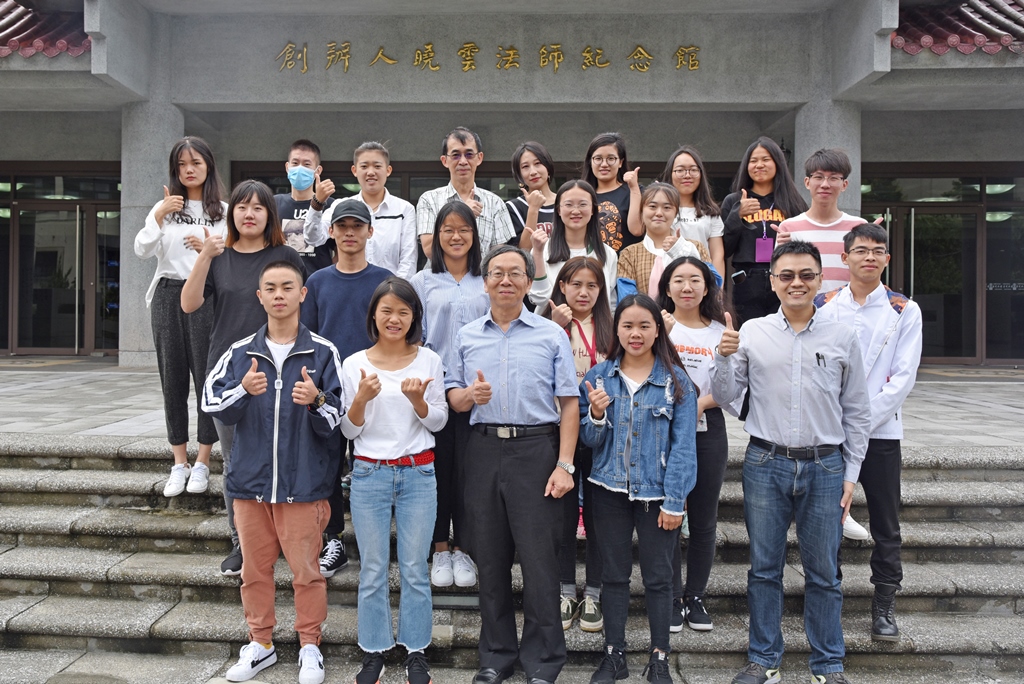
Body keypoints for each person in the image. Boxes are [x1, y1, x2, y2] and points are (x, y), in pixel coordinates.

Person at [710, 241, 871, 684]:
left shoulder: (842, 336)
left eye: (805, 275)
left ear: (820, 280)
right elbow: (725, 395)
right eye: (786, 275)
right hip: (766, 462)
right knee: (764, 569)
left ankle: (828, 664)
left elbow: (857, 410)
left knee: (824, 572)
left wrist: (851, 474)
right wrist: (722, 358)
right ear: (772, 281)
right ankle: (764, 659)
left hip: (826, 466)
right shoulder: (753, 332)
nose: (796, 283)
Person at [202, 259, 343, 684]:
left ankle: (310, 645)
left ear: (302, 294)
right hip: (250, 485)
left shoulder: (323, 351)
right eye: (271, 288)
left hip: (304, 486)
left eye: (287, 286)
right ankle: (260, 643)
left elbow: (339, 418)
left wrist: (317, 400)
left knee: (308, 573)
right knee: (253, 572)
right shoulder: (240, 352)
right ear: (259, 296)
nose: (279, 294)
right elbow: (211, 402)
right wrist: (243, 391)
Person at [447, 244, 579, 684]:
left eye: (515, 273)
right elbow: (452, 397)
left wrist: (565, 464)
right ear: (485, 282)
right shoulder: (467, 336)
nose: (506, 280)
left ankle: (543, 661)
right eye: (497, 273)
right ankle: (496, 656)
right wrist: (470, 396)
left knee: (540, 563)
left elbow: (569, 402)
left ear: (528, 281)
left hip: (536, 450)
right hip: (483, 450)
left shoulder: (551, 334)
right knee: (490, 560)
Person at [182, 179, 304, 576]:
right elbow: (189, 304)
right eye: (241, 207)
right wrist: (205, 256)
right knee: (236, 462)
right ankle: (242, 543)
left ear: (270, 214)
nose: (249, 214)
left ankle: (287, 539)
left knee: (284, 454)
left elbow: (302, 308)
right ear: (231, 213)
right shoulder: (220, 257)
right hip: (230, 373)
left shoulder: (285, 255)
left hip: (281, 369)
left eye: (258, 207)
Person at [579, 294, 698, 684]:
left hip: (657, 496)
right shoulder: (598, 377)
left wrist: (675, 501)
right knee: (613, 575)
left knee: (659, 578)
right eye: (627, 325)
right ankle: (614, 656)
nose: (636, 333)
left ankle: (659, 657)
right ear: (616, 330)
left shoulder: (676, 382)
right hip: (607, 490)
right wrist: (597, 414)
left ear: (657, 330)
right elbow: (589, 442)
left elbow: (684, 447)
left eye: (644, 325)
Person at [814, 223, 923, 643]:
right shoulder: (825, 305)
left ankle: (884, 604)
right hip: (829, 433)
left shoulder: (903, 309)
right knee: (827, 520)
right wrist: (836, 422)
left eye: (878, 251)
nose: (870, 257)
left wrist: (859, 422)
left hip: (881, 434)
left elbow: (902, 377)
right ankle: (830, 598)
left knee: (885, 521)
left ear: (887, 259)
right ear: (845, 258)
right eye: (861, 250)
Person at [342, 277, 448, 684]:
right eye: (386, 310)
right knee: (371, 567)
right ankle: (374, 651)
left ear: (414, 317)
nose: (394, 318)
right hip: (369, 473)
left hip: (418, 472)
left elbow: (438, 422)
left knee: (415, 567)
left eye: (403, 311)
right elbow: (349, 431)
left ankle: (416, 651)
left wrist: (419, 402)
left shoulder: (428, 360)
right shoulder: (355, 364)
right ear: (373, 314)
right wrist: (360, 400)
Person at [301, 198, 394, 578]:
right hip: (329, 392)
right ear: (331, 232)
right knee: (327, 467)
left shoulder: (385, 281)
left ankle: (382, 539)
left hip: (376, 388)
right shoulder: (317, 282)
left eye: (357, 226)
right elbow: (306, 339)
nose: (350, 233)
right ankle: (334, 538)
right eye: (343, 226)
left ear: (370, 231)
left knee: (376, 464)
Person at [134, 136, 226, 498]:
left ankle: (202, 460)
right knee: (171, 377)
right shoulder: (164, 207)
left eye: (196, 163)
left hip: (206, 295)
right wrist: (158, 216)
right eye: (182, 164)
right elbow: (142, 250)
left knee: (206, 376)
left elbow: (233, 256)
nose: (189, 170)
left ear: (208, 166)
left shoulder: (223, 210)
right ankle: (179, 461)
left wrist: (209, 252)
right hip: (168, 294)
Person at [410, 201, 490, 589]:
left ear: (475, 235)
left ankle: (465, 548)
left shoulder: (487, 278)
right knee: (439, 471)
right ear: (436, 236)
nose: (456, 237)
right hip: (436, 389)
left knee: (472, 474)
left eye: (464, 230)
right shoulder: (422, 282)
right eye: (448, 230)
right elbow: (413, 335)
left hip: (479, 390)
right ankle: (440, 547)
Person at [656, 256, 733, 633]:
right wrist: (662, 336)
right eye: (679, 280)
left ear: (707, 288)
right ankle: (672, 596)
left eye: (695, 280)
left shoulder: (721, 331)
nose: (687, 287)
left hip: (708, 429)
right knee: (667, 514)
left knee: (703, 519)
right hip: (661, 430)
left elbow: (732, 388)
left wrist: (700, 404)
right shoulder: (656, 325)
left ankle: (695, 596)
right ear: (667, 288)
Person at [546, 256, 613, 633]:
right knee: (563, 516)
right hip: (558, 428)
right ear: (562, 287)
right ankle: (565, 590)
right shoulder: (545, 323)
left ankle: (595, 593)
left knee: (601, 515)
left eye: (591, 285)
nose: (583, 292)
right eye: (576, 284)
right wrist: (553, 326)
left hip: (603, 427)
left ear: (601, 289)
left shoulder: (613, 327)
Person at [720, 137, 808, 326]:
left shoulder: (793, 201)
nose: (759, 165)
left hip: (785, 277)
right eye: (753, 161)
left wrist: (793, 241)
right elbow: (724, 249)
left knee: (785, 331)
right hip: (746, 281)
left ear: (778, 163)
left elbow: (807, 245)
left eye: (766, 159)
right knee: (749, 334)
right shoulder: (733, 201)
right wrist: (737, 215)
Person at [304, 141, 418, 280]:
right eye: (364, 166)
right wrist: (317, 204)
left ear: (388, 170)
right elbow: (313, 239)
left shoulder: (404, 209)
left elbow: (408, 260)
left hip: (390, 290)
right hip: (348, 286)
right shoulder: (341, 206)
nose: (371, 172)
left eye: (377, 166)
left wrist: (396, 290)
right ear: (354, 170)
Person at [416, 127, 514, 260]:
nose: (463, 161)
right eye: (455, 155)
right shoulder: (429, 200)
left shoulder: (495, 203)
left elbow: (498, 257)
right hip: (440, 273)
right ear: (444, 161)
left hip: (480, 273)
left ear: (479, 158)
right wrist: (463, 214)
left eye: (469, 154)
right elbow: (429, 250)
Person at [776, 149, 867, 293]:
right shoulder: (788, 228)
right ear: (807, 182)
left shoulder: (859, 227)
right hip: (803, 305)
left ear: (844, 184)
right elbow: (779, 275)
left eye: (833, 178)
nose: (825, 184)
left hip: (848, 305)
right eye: (818, 177)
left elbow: (867, 274)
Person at [529, 180, 617, 312]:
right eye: (569, 205)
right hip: (551, 323)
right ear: (558, 210)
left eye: (583, 204)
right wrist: (537, 252)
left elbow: (610, 303)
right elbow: (539, 298)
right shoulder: (543, 249)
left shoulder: (607, 253)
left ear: (593, 210)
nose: (576, 211)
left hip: (594, 325)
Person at [616, 183, 701, 298]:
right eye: (652, 206)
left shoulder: (696, 247)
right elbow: (627, 298)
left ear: (676, 213)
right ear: (641, 211)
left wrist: (682, 251)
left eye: (667, 208)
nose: (659, 213)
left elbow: (711, 285)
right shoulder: (630, 254)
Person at [274, 139, 335, 279]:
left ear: (317, 170)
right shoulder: (273, 203)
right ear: (287, 167)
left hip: (318, 283)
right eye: (295, 163)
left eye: (307, 164)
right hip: (281, 283)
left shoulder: (330, 205)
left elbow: (340, 251)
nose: (300, 168)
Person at [661, 145, 726, 278]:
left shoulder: (711, 213)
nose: (687, 175)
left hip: (701, 280)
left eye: (693, 170)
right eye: (680, 170)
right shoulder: (659, 210)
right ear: (670, 174)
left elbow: (717, 256)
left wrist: (717, 288)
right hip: (666, 278)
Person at [582, 132, 643, 253]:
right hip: (591, 262)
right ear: (590, 161)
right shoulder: (582, 194)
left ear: (620, 162)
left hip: (626, 263)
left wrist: (634, 188)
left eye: (611, 158)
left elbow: (637, 230)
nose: (604, 164)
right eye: (598, 158)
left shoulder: (635, 191)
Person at [507, 141, 557, 251]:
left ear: (548, 167)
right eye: (525, 166)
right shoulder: (514, 207)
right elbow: (524, 250)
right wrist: (533, 209)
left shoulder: (565, 202)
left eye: (537, 163)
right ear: (519, 175)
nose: (533, 172)